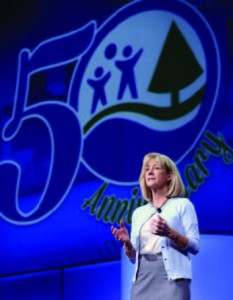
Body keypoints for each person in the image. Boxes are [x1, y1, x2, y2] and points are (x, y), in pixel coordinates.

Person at [111, 152, 200, 300]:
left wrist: (170, 233)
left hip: (173, 278)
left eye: (156, 168)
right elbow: (133, 257)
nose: (150, 172)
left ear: (169, 176)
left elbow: (195, 246)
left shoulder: (182, 205)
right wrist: (127, 243)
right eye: (147, 169)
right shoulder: (139, 213)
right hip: (142, 279)